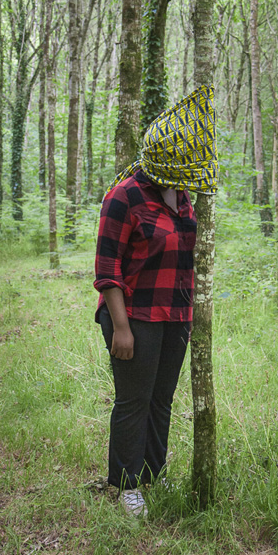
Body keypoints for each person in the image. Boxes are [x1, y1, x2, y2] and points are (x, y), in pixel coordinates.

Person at [93, 84, 218, 517]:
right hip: (134, 317)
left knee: (162, 399)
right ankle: (125, 485)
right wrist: (122, 328)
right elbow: (107, 269)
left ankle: (151, 473)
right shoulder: (124, 196)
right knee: (134, 400)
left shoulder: (184, 193)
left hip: (175, 316)